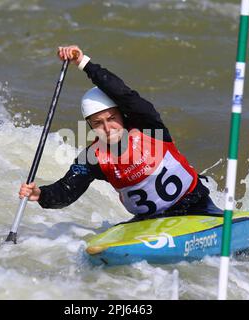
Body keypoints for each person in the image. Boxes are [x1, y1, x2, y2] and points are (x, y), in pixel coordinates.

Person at [19, 45, 221, 223]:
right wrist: (41, 194)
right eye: (98, 123)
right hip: (149, 221)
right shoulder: (92, 158)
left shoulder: (148, 127)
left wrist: (83, 62)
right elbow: (66, 190)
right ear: (90, 127)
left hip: (195, 204)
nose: (107, 128)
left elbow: (123, 93)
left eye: (112, 118)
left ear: (122, 115)